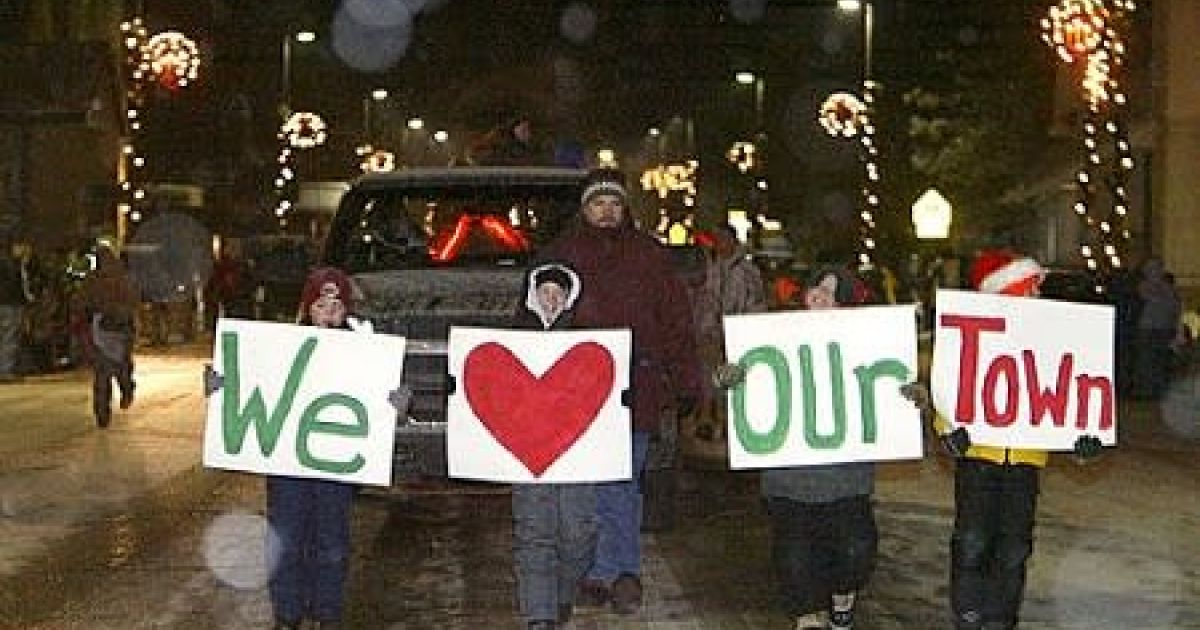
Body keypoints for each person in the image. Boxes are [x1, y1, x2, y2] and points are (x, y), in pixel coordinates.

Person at [538, 167, 706, 615]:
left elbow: (676, 321)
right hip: (578, 393)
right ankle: (593, 567)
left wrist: (687, 377)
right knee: (584, 487)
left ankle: (620, 571)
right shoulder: (562, 255)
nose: (607, 212)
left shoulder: (649, 256)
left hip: (637, 386)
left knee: (622, 483)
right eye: (598, 204)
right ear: (584, 209)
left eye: (614, 204)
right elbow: (537, 308)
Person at [206, 266, 408, 630]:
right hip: (289, 467)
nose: (329, 310)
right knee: (286, 540)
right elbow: (249, 386)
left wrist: (396, 403)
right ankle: (287, 615)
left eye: (337, 303)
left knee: (332, 544)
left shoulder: (365, 353)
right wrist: (221, 384)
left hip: (335, 467)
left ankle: (326, 613)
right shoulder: (277, 351)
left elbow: (379, 406)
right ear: (307, 307)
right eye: (321, 302)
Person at [912, 248, 1104, 630]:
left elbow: (1068, 389)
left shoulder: (1049, 336)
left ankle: (1002, 619)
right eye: (1030, 288)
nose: (1036, 296)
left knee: (1014, 547)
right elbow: (952, 386)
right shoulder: (974, 335)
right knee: (972, 540)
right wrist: (947, 429)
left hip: (1026, 460)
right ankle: (968, 614)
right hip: (979, 455)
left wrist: (1084, 439)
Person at [760, 265, 880, 630]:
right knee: (795, 560)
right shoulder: (771, 337)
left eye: (833, 292)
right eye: (817, 287)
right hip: (789, 480)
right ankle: (808, 617)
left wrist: (909, 397)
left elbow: (888, 389)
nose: (821, 296)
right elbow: (749, 388)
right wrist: (733, 378)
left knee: (856, 550)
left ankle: (843, 596)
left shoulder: (865, 347)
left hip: (846, 479)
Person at [511, 262, 594, 630]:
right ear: (533, 295)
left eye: (558, 293)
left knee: (578, 531)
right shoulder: (513, 339)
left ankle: (562, 593)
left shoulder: (589, 341)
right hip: (529, 452)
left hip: (578, 453)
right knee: (534, 531)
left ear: (569, 298)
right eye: (544, 292)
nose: (551, 299)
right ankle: (539, 613)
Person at [693, 224, 768, 441]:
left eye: (724, 239)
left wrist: (745, 330)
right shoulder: (709, 269)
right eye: (718, 239)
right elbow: (703, 301)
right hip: (710, 333)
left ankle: (729, 422)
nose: (720, 244)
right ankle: (707, 420)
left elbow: (756, 302)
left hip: (736, 333)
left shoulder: (746, 271)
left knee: (732, 378)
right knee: (708, 378)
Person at [81, 245, 139, 428]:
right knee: (105, 370)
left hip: (115, 329)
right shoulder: (97, 279)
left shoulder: (118, 279)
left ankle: (115, 399)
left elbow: (131, 302)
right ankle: (104, 410)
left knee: (112, 369)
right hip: (105, 328)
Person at [1132, 257, 1182, 400]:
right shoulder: (1143, 286)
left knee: (1162, 361)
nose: (1153, 272)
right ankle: (1146, 391)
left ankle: (1159, 390)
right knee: (1147, 361)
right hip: (1148, 329)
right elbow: (1145, 297)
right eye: (1150, 269)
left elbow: (1177, 309)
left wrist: (1178, 332)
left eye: (1156, 268)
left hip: (1165, 329)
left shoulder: (1169, 288)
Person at [0, 237, 34, 380]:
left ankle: (8, 367)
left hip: (10, 303)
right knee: (10, 336)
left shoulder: (11, 264)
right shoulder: (11, 265)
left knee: (10, 336)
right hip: (10, 304)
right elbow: (16, 286)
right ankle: (5, 369)